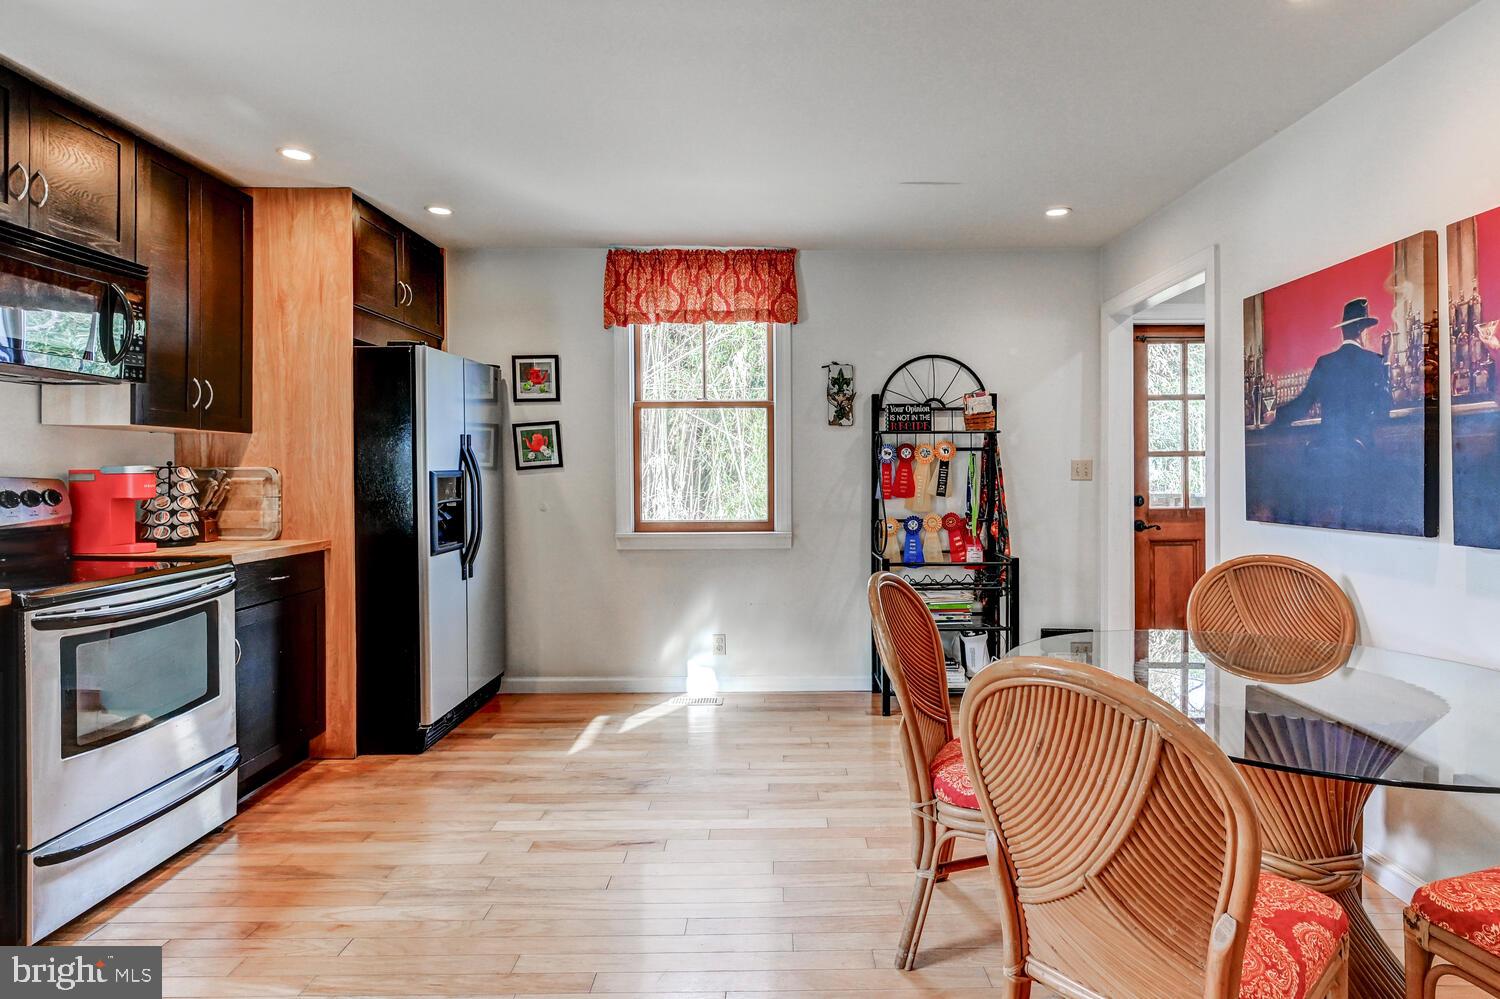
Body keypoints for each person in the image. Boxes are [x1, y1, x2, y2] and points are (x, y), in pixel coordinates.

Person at [1272, 298, 1390, 446]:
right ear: (1361, 330)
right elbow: (1384, 408)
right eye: (1367, 329)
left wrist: (1276, 416)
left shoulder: (1325, 362)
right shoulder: (1373, 361)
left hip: (1329, 447)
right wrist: (1386, 360)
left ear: (1343, 330)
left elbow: (1303, 404)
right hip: (1361, 452)